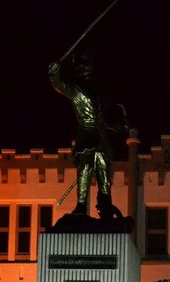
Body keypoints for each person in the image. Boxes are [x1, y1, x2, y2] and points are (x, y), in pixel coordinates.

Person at [48, 52, 119, 220]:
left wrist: (114, 125)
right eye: (83, 66)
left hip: (100, 136)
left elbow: (104, 116)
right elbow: (60, 85)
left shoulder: (98, 92)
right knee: (85, 170)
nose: (86, 69)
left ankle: (105, 203)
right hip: (86, 133)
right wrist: (54, 73)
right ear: (79, 69)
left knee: (103, 170)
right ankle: (81, 205)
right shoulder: (76, 88)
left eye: (88, 66)